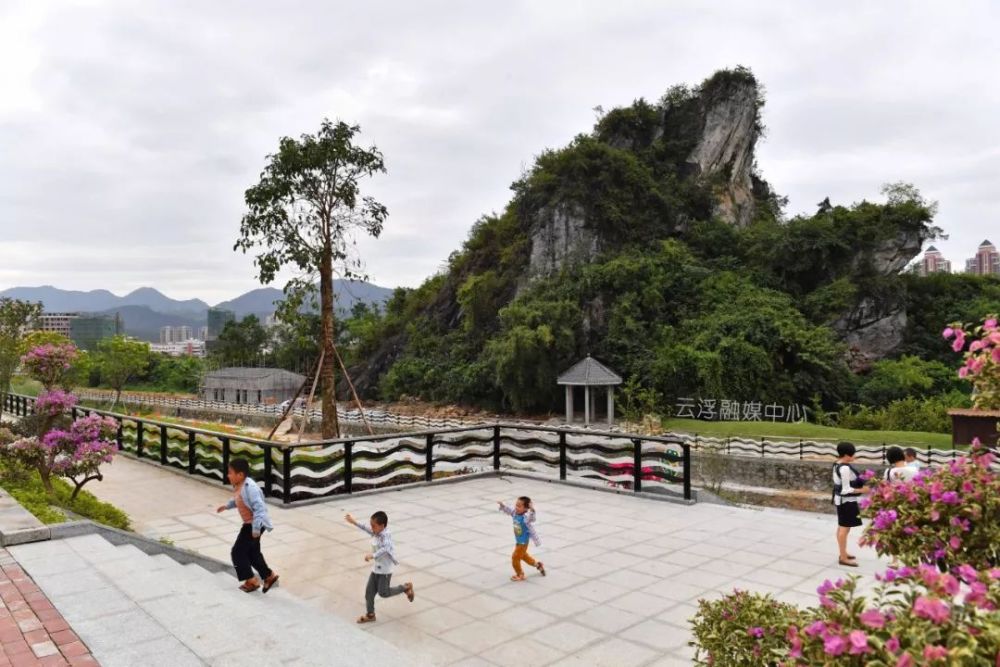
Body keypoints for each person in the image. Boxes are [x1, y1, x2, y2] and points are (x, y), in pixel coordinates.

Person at [216, 458, 279, 593]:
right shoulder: (240, 486)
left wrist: (255, 529)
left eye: (230, 473)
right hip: (251, 524)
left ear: (240, 475)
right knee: (252, 553)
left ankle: (251, 580)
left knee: (237, 552)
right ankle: (269, 576)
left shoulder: (251, 488)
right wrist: (227, 506)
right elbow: (238, 499)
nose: (228, 475)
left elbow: (260, 509)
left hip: (254, 524)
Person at [345, 511, 414, 623]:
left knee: (383, 593)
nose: (372, 528)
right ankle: (370, 615)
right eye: (371, 525)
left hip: (385, 571)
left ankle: (405, 587)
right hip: (376, 568)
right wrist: (354, 522)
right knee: (369, 593)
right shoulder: (377, 532)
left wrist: (372, 555)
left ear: (382, 526)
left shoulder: (386, 535)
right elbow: (366, 528)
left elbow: (385, 549)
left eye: (374, 526)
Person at [832, 442, 866, 567]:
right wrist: (863, 490)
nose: (854, 456)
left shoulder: (837, 463)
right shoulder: (845, 468)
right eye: (853, 454)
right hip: (845, 501)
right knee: (844, 528)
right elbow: (845, 489)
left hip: (840, 500)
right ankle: (843, 557)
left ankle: (843, 552)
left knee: (843, 527)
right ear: (847, 455)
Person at [498, 496, 545, 581]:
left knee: (515, 557)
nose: (516, 507)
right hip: (519, 541)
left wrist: (532, 510)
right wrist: (502, 505)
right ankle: (538, 565)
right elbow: (508, 510)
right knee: (523, 556)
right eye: (516, 505)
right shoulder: (515, 513)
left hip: (523, 543)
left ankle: (520, 574)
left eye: (519, 506)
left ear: (526, 508)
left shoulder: (526, 518)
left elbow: (532, 518)